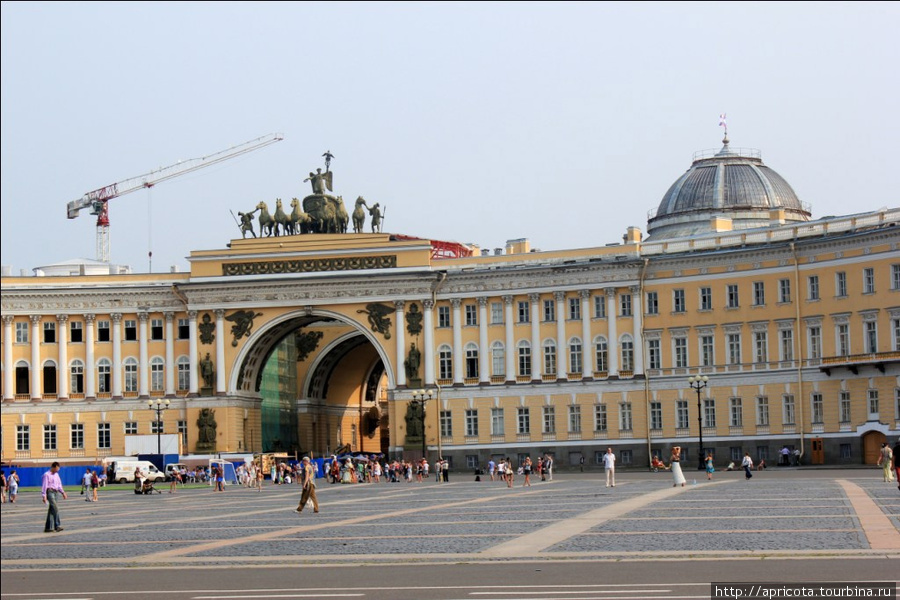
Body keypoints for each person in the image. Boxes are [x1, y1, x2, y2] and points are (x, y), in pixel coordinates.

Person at [41, 461, 67, 532]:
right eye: (56, 469)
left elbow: (59, 484)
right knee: (55, 508)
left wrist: (63, 492)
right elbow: (44, 485)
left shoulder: (57, 475)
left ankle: (48, 527)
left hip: (56, 492)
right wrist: (44, 495)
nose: (57, 471)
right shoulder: (46, 475)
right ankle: (57, 525)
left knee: (51, 510)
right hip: (50, 492)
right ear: (53, 467)